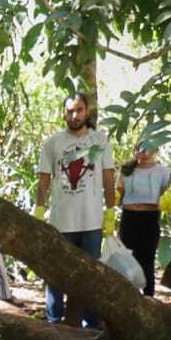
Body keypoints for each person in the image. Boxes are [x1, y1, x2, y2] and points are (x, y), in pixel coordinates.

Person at [34, 92, 116, 327]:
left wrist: (110, 211)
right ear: (64, 113)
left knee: (91, 274)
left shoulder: (99, 141)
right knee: (57, 272)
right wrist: (40, 209)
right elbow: (44, 179)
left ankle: (91, 322)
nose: (74, 115)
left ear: (87, 111)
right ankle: (54, 319)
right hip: (61, 220)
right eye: (70, 111)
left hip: (91, 220)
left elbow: (108, 177)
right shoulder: (53, 143)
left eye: (79, 110)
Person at [116, 142, 171, 296]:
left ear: (156, 150)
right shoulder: (126, 170)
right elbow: (119, 194)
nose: (144, 151)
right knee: (127, 259)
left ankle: (148, 298)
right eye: (140, 147)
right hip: (129, 217)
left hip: (150, 218)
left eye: (148, 147)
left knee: (147, 260)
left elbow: (167, 196)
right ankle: (127, 297)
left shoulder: (162, 171)